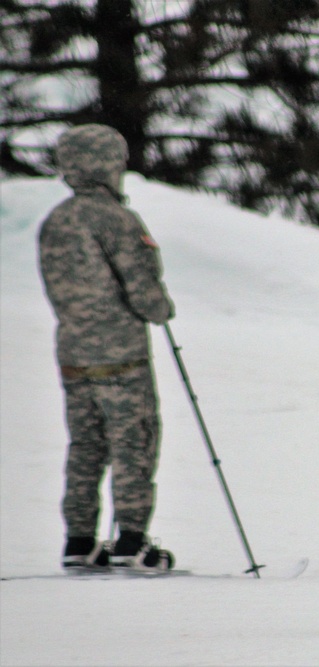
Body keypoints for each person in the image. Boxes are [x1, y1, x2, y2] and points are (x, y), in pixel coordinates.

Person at [39, 124, 176, 572]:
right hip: (121, 354)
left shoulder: (54, 221)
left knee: (86, 444)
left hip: (74, 354)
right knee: (133, 440)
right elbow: (142, 289)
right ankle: (131, 539)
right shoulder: (117, 219)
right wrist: (160, 309)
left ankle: (79, 538)